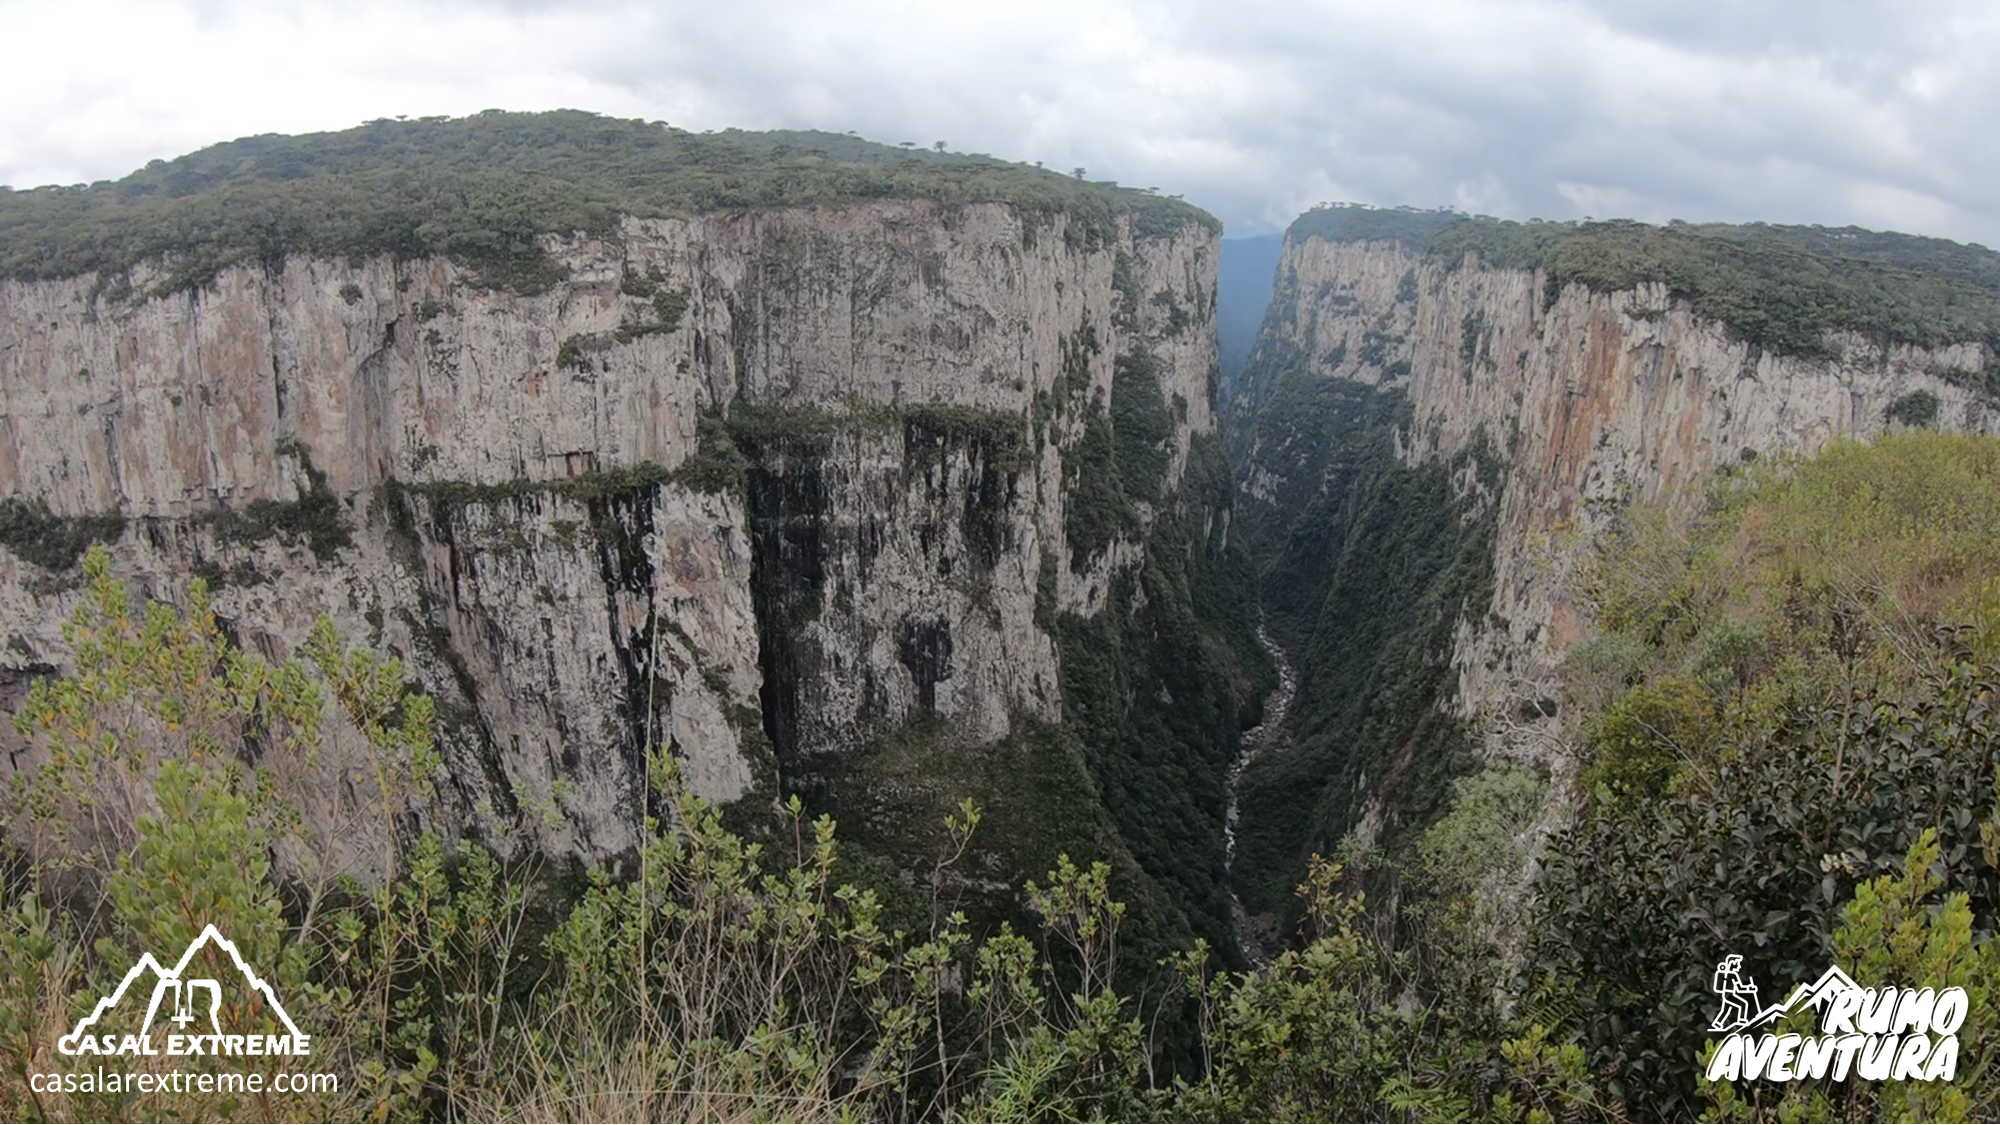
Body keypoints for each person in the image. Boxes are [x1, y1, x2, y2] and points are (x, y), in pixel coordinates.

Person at [1711, 955, 1759, 1031]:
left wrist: (1749, 988)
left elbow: (1739, 987)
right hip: (1729, 995)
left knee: (1726, 1009)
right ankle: (1741, 1020)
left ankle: (1717, 1023)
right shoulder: (1731, 975)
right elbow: (1739, 987)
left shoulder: (1731, 974)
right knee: (1743, 1004)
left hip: (1728, 995)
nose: (1738, 966)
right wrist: (1749, 988)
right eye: (1737, 964)